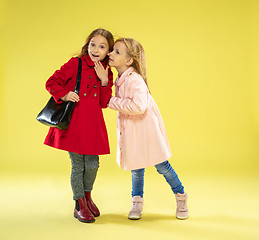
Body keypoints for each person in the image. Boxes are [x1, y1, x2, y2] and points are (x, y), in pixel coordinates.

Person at [108, 38, 189, 220]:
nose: (111, 54)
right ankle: (137, 203)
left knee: (162, 166)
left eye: (117, 52)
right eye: (112, 50)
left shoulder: (135, 80)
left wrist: (110, 102)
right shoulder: (120, 79)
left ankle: (181, 196)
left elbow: (139, 107)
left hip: (147, 131)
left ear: (129, 61)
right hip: (133, 131)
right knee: (136, 168)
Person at [43, 28, 114, 223]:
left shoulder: (107, 70)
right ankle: (79, 203)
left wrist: (105, 80)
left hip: (93, 124)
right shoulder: (76, 64)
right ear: (87, 45)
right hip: (74, 123)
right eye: (93, 44)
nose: (96, 49)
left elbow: (103, 103)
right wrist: (64, 94)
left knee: (92, 164)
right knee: (78, 165)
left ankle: (87, 196)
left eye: (102, 46)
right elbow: (51, 82)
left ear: (108, 50)